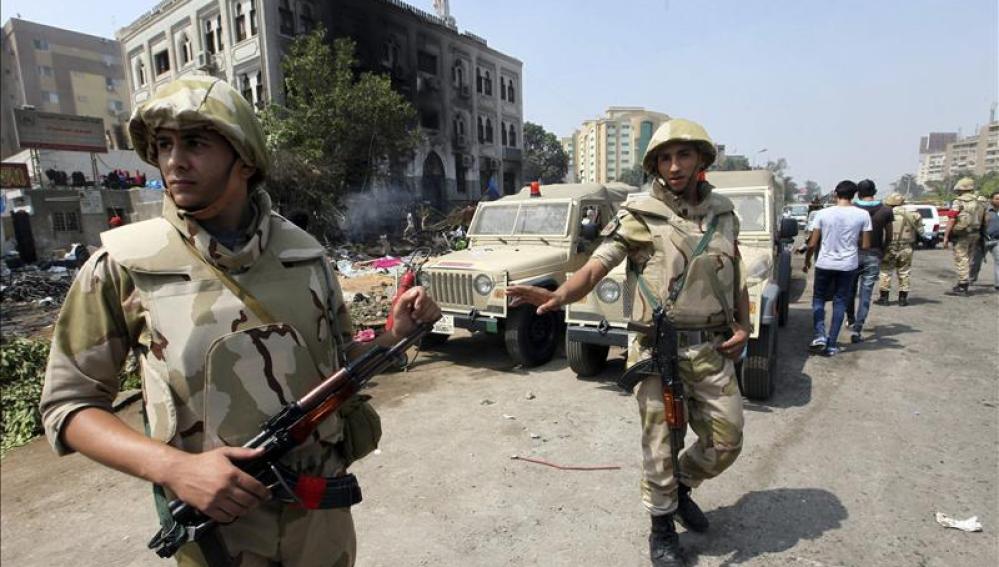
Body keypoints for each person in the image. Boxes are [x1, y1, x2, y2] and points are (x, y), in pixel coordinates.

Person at [38, 77, 441, 567]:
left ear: (245, 157)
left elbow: (339, 372)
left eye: (195, 143)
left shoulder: (305, 255)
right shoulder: (122, 266)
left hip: (320, 521)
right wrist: (175, 468)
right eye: (164, 145)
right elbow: (69, 406)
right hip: (219, 541)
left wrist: (394, 335)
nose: (173, 161)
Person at [507, 119, 750, 566]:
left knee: (727, 440)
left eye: (683, 155)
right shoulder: (639, 215)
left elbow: (734, 275)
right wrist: (561, 294)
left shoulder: (724, 214)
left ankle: (679, 488)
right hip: (658, 348)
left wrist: (743, 325)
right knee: (661, 441)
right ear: (655, 165)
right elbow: (598, 266)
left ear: (701, 159)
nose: (674, 166)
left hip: (713, 347)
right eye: (665, 157)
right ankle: (661, 529)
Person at [803, 180, 871, 356]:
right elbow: (865, 244)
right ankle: (832, 344)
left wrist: (807, 261)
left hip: (824, 263)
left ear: (835, 194)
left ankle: (819, 335)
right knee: (839, 301)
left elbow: (812, 243)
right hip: (848, 265)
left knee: (818, 299)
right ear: (854, 195)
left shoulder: (822, 214)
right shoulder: (862, 215)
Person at [844, 179, 892, 342]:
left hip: (853, 254)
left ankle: (850, 318)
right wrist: (882, 251)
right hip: (874, 254)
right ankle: (858, 326)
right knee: (866, 292)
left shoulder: (853, 209)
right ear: (875, 191)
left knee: (849, 289)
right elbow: (889, 236)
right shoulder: (886, 211)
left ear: (858, 193)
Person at [876, 193, 923, 305]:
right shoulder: (914, 215)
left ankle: (884, 298)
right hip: (906, 246)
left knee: (885, 271)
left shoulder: (885, 214)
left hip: (889, 246)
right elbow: (921, 231)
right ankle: (903, 299)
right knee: (904, 272)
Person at [942, 177, 986, 295]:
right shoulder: (980, 201)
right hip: (975, 234)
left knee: (961, 259)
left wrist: (946, 236)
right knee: (969, 258)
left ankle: (963, 285)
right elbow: (985, 218)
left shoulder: (958, 201)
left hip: (962, 234)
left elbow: (951, 219)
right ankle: (962, 283)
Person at [968, 193, 989, 284]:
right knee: (975, 260)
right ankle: (970, 278)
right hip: (980, 237)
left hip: (989, 237)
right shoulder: (978, 210)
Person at [983, 191, 999, 291]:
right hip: (983, 240)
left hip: (997, 241)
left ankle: (998, 284)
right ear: (991, 200)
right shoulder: (985, 210)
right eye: (997, 198)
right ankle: (970, 279)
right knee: (974, 262)